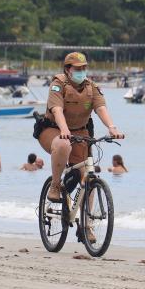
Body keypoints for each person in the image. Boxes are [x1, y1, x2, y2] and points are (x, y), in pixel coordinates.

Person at [39, 51, 124, 207]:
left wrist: (112, 127)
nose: (81, 71)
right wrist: (64, 130)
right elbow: (57, 109)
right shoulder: (58, 84)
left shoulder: (91, 87)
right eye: (77, 68)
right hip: (54, 130)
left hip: (81, 132)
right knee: (63, 144)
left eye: (83, 68)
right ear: (67, 69)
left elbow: (101, 108)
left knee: (88, 176)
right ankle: (55, 185)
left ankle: (87, 225)